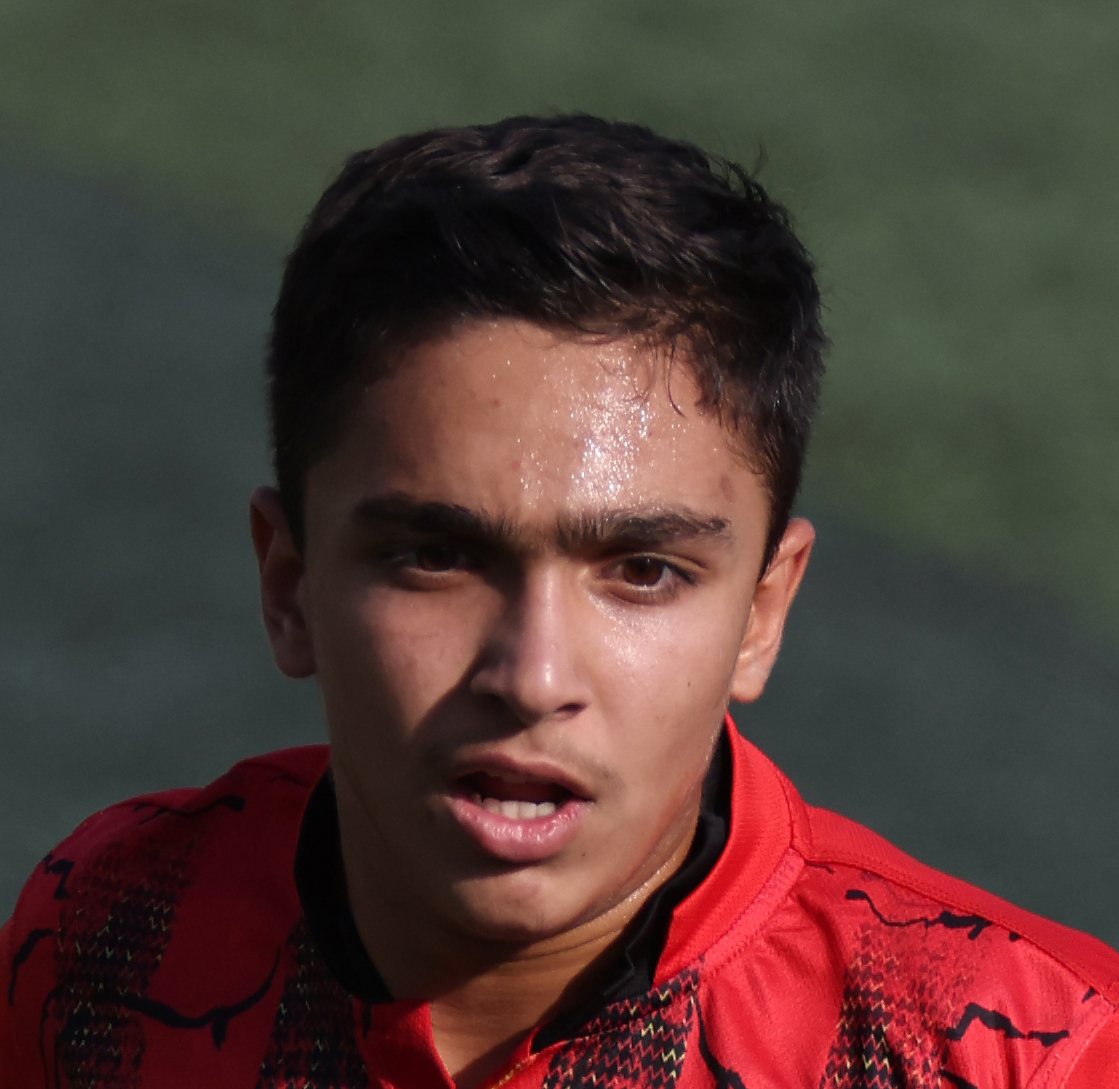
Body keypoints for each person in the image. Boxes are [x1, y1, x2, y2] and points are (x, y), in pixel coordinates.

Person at [1, 114, 1116, 1089]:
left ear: (762, 613)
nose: (532, 677)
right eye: (436, 556)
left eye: (644, 571)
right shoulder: (108, 940)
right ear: (287, 583)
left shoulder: (1028, 1056)